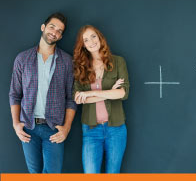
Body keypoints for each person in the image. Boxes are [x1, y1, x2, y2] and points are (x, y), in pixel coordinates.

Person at [9, 12, 76, 173]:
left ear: (60, 37)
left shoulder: (67, 61)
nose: (54, 32)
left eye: (59, 30)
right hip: (28, 127)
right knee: (34, 174)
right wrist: (15, 124)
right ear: (43, 27)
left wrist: (66, 128)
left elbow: (71, 98)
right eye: (52, 27)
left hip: (54, 128)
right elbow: (15, 94)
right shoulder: (22, 59)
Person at [73, 25, 129, 173]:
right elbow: (78, 99)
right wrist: (110, 92)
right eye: (86, 40)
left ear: (100, 38)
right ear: (83, 45)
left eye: (93, 36)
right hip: (91, 130)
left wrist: (90, 94)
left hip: (116, 129)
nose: (91, 42)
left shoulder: (118, 62)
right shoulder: (80, 67)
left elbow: (122, 93)